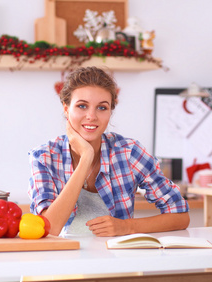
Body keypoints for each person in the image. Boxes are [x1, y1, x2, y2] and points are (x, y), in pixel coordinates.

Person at [28, 66, 189, 236]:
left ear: (111, 111)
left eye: (102, 108)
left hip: (116, 259)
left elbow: (181, 217)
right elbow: (49, 228)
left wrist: (127, 227)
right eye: (82, 106)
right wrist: (86, 158)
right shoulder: (44, 157)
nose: (92, 116)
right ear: (66, 109)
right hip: (64, 260)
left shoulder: (128, 152)